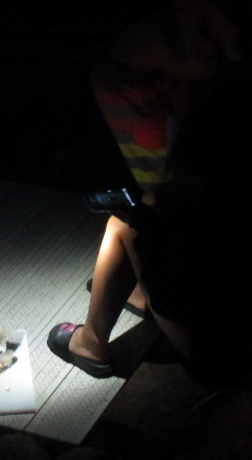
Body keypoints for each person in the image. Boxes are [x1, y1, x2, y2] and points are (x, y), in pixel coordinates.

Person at [48, 57, 252, 383]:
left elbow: (180, 293)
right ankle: (135, 292)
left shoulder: (211, 204)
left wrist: (147, 228)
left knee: (126, 224)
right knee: (149, 217)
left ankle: (89, 344)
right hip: (230, 332)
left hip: (226, 361)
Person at [90, 0, 250, 316]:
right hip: (132, 77)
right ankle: (142, 284)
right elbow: (203, 61)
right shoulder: (198, 39)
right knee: (162, 196)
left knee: (165, 201)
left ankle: (143, 286)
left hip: (159, 85)